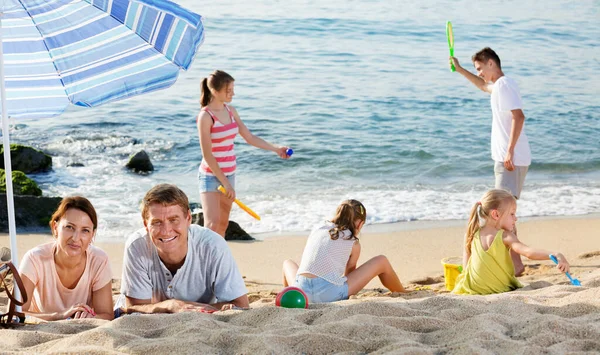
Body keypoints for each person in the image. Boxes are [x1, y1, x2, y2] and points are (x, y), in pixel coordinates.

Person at [451, 47, 531, 274]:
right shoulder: (499, 87)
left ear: (491, 64)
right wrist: (460, 70)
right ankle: (514, 262)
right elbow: (482, 85)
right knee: (505, 212)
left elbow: (519, 116)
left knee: (502, 212)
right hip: (508, 158)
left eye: (480, 68)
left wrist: (509, 151)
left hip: (510, 159)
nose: (480, 73)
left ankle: (515, 263)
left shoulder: (505, 85)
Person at [118, 184, 249, 314]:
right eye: (157, 222)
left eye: (173, 220)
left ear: (188, 218)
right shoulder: (137, 246)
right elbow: (133, 308)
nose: (166, 231)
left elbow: (240, 305)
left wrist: (183, 307)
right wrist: (170, 306)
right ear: (146, 224)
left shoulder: (213, 246)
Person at [197, 70, 291, 237]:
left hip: (229, 174)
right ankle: (201, 260)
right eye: (229, 90)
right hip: (211, 176)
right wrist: (225, 183)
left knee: (223, 224)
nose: (233, 93)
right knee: (211, 224)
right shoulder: (205, 117)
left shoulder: (231, 111)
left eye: (233, 89)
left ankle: (216, 259)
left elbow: (249, 137)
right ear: (215, 91)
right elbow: (207, 155)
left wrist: (276, 149)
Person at [282, 200, 405, 303]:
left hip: (301, 292)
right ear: (360, 224)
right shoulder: (352, 241)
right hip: (328, 294)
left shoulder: (318, 228)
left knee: (287, 263)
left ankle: (289, 295)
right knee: (381, 261)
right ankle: (401, 291)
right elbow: (349, 274)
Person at [453, 189, 571, 295]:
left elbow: (466, 267)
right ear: (496, 214)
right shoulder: (505, 236)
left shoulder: (472, 233)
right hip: (499, 289)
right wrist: (555, 254)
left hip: (472, 289)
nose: (516, 218)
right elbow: (529, 252)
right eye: (512, 214)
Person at [18, 196, 114, 320]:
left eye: (85, 230)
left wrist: (90, 317)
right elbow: (15, 313)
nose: (75, 238)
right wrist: (59, 316)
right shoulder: (35, 259)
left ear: (92, 235)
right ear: (55, 227)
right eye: (69, 227)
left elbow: (107, 315)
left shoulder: (99, 260)